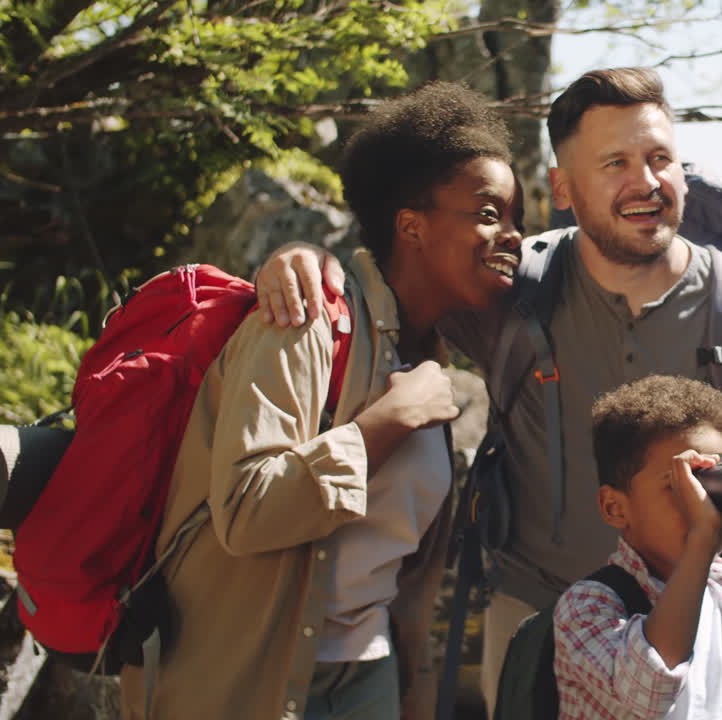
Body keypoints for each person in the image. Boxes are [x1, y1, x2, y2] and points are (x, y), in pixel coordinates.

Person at [254, 66, 722, 715]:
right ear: (564, 186)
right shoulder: (512, 288)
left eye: (661, 158)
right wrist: (303, 259)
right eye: (615, 163)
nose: (646, 182)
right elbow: (396, 275)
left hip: (695, 618)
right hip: (536, 620)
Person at [120, 81, 523, 720]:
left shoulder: (430, 358)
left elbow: (400, 569)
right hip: (243, 678)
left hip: (369, 674)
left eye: (515, 216)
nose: (513, 234)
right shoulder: (306, 320)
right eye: (488, 212)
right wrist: (388, 423)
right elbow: (248, 512)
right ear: (411, 226)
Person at [553, 374, 722, 719]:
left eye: (718, 481)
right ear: (615, 507)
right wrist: (701, 540)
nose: (704, 503)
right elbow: (648, 694)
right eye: (680, 485)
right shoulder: (588, 606)